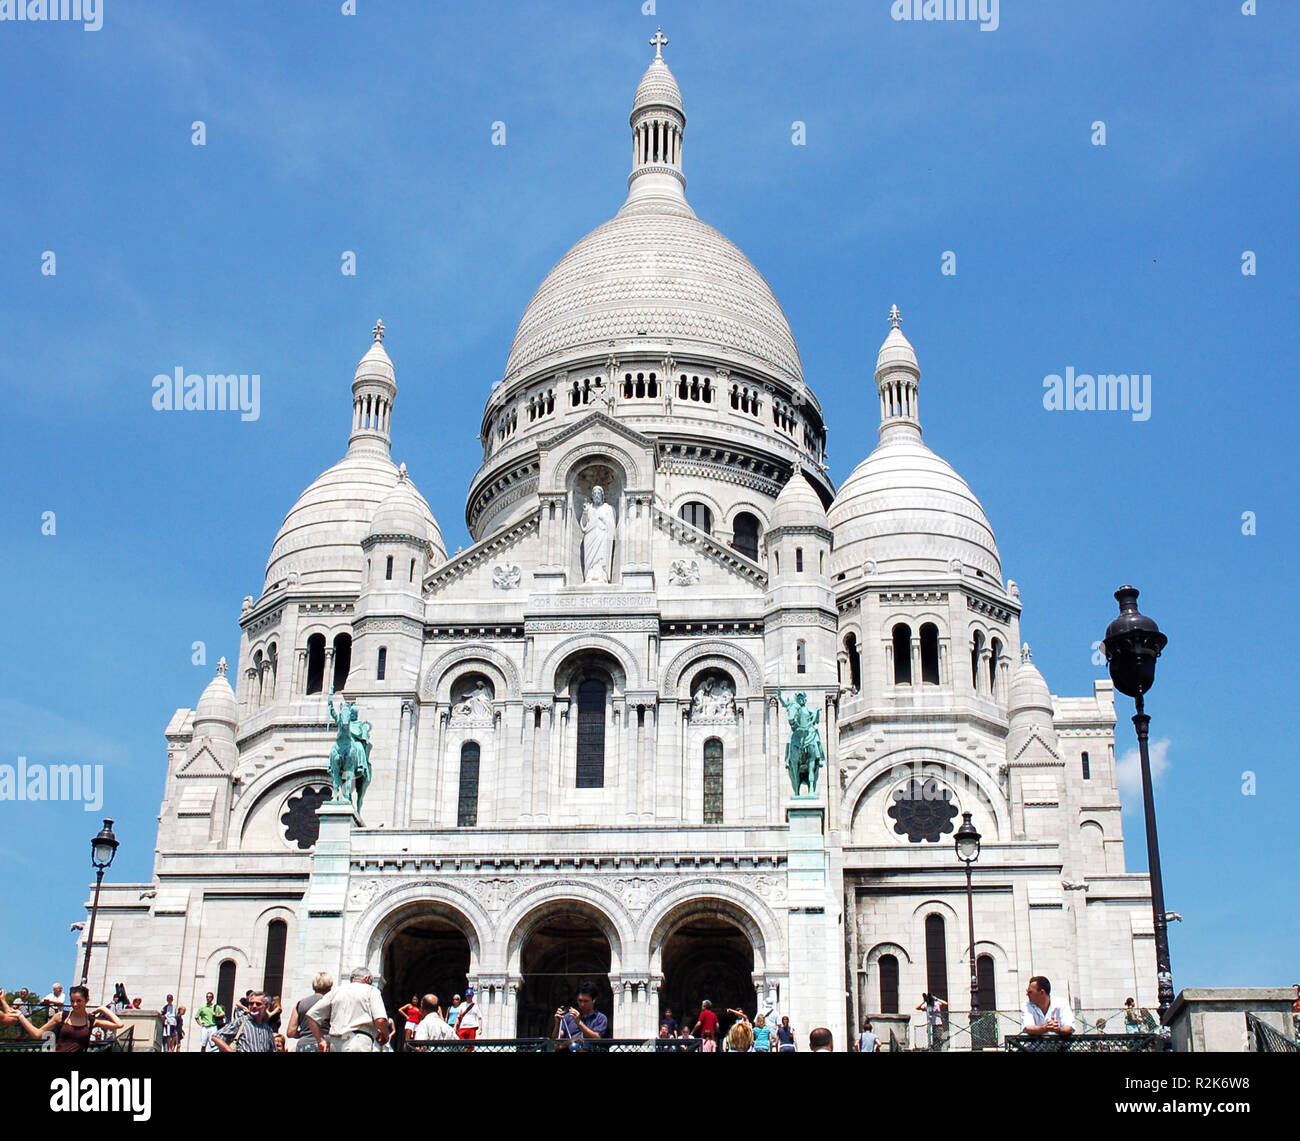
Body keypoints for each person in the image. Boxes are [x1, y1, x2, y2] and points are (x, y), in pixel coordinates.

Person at [11, 985, 124, 1052]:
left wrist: (102, 1009)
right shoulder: (61, 1016)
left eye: (79, 1001)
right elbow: (37, 1034)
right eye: (72, 1001)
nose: (75, 1005)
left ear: (86, 1000)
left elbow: (119, 1024)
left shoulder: (91, 1021)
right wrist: (21, 1017)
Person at [306, 967, 390, 1052]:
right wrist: (386, 1035)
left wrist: (321, 1040)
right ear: (367, 978)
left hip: (335, 1043)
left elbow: (311, 1015)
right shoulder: (372, 991)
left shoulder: (336, 991)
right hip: (358, 1042)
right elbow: (380, 1020)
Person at [213, 991, 278, 1053]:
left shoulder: (267, 1028)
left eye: (258, 1004)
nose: (254, 1006)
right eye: (251, 1003)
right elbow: (216, 1037)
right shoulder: (241, 1021)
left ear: (267, 1007)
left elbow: (273, 1049)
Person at [286, 972, 334, 1053]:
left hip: (303, 1045)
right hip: (324, 1045)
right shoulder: (330, 1003)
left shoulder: (300, 1004)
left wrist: (304, 1034)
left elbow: (291, 1032)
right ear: (329, 986)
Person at [554, 981, 607, 1050]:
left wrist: (579, 1023)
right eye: (580, 1000)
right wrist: (557, 1024)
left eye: (586, 1001)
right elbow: (556, 1039)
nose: (582, 1004)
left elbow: (597, 1038)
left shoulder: (601, 1018)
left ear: (594, 1000)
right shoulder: (568, 1016)